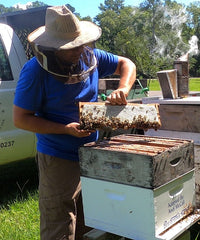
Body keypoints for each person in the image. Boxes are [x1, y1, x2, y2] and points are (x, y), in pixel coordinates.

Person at [13, 5, 136, 240]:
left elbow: (126, 64)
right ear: (53, 47)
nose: (79, 50)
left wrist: (123, 88)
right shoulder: (34, 72)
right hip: (58, 156)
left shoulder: (92, 56)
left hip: (92, 152)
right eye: (71, 47)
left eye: (81, 43)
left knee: (90, 220)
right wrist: (64, 129)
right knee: (59, 224)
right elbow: (20, 119)